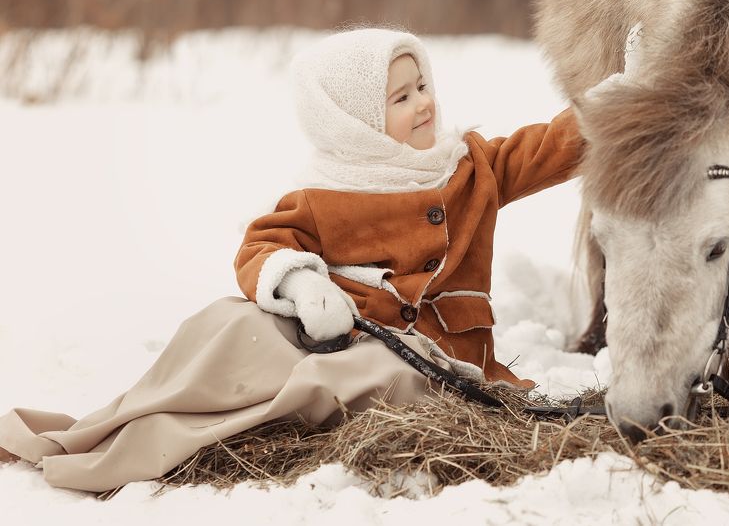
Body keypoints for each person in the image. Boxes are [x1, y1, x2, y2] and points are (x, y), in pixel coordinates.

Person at [0, 27, 590, 492]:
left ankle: (201, 424)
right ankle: (126, 423)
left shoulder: (470, 166)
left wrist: (618, 104)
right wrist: (304, 285)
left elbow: (545, 149)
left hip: (431, 368)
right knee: (228, 323)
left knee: (364, 376)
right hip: (354, 341)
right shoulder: (327, 191)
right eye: (401, 97)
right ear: (354, 120)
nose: (424, 104)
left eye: (423, 86)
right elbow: (262, 246)